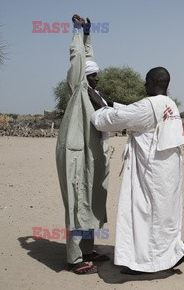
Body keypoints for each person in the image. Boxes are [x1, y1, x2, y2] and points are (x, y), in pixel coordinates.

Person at [91, 67, 184, 274]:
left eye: (146, 81)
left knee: (145, 216)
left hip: (151, 173)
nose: (143, 85)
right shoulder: (168, 104)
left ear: (153, 82)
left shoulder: (147, 106)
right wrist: (112, 103)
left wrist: (100, 108)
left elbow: (110, 121)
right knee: (165, 217)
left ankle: (145, 263)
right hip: (169, 173)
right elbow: (133, 112)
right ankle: (168, 256)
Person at [56, 14, 113, 275]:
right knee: (77, 203)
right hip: (75, 154)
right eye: (94, 76)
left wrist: (89, 35)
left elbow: (88, 59)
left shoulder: (94, 94)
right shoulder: (79, 87)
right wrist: (77, 33)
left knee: (91, 201)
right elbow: (79, 60)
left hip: (92, 156)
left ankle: (88, 250)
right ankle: (74, 258)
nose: (97, 78)